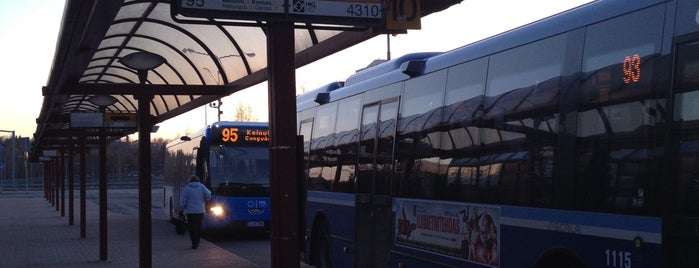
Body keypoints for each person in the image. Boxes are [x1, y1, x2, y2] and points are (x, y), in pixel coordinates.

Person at [179, 175, 211, 249]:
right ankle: (197, 241)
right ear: (198, 180)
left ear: (191, 181)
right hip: (200, 211)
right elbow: (209, 194)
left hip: (190, 212)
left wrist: (182, 209)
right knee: (198, 226)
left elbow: (183, 201)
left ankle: (194, 242)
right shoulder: (202, 187)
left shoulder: (187, 188)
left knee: (191, 227)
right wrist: (207, 199)